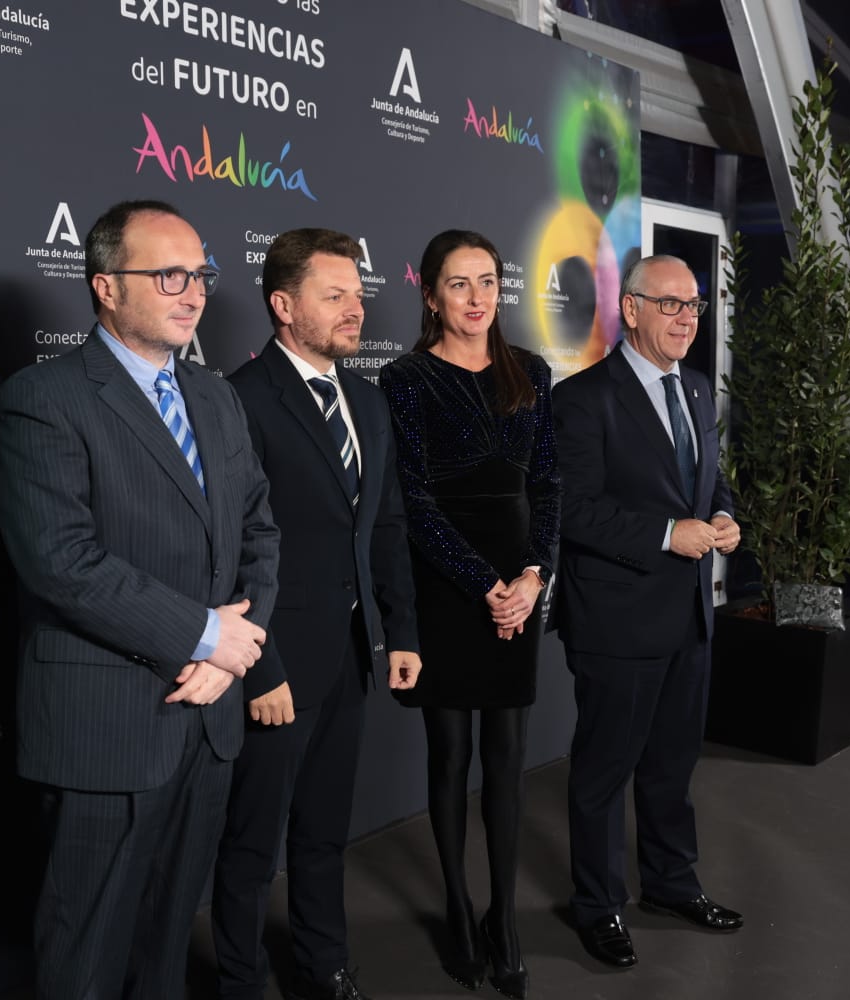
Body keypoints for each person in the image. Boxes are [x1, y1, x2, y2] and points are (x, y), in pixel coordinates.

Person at [0, 200, 279, 999]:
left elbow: (261, 531)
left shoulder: (216, 396)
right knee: (83, 955)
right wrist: (201, 637)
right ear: (106, 288)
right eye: (170, 275)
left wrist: (233, 653)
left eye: (201, 275)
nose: (194, 293)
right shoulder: (44, 399)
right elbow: (61, 563)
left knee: (163, 948)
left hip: (207, 719)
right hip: (107, 727)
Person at [213, 229, 423, 1000]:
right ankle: (239, 981)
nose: (355, 309)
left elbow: (388, 526)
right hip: (273, 664)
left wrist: (398, 631)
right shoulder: (239, 399)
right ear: (282, 305)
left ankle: (325, 965)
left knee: (324, 832)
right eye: (334, 295)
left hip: (349, 657)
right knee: (249, 842)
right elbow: (227, 547)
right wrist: (259, 665)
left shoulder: (367, 401)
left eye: (357, 295)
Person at [379, 230, 561, 1000]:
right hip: (450, 589)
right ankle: (457, 907)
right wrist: (482, 582)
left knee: (509, 763)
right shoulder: (405, 379)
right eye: (460, 284)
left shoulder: (533, 372)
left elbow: (549, 485)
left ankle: (503, 917)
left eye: (488, 281)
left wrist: (532, 576)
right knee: (450, 757)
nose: (479, 298)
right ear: (430, 294)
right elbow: (411, 500)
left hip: (517, 586)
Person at [551, 254, 743, 970]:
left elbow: (709, 482)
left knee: (670, 769)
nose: (687, 317)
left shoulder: (695, 390)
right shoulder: (582, 399)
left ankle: (670, 884)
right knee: (604, 775)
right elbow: (573, 509)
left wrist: (722, 517)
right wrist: (668, 534)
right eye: (670, 304)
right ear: (630, 310)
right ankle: (596, 906)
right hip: (617, 622)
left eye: (694, 305)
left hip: (689, 618)